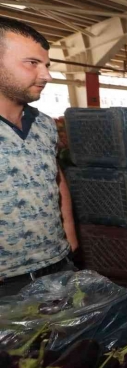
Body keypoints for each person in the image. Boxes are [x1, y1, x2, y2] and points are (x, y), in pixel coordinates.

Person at [0, 17, 77, 297]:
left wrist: (69, 236)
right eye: (32, 63)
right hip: (8, 283)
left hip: (57, 265)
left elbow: (55, 177)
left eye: (46, 65)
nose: (46, 75)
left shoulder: (43, 124)